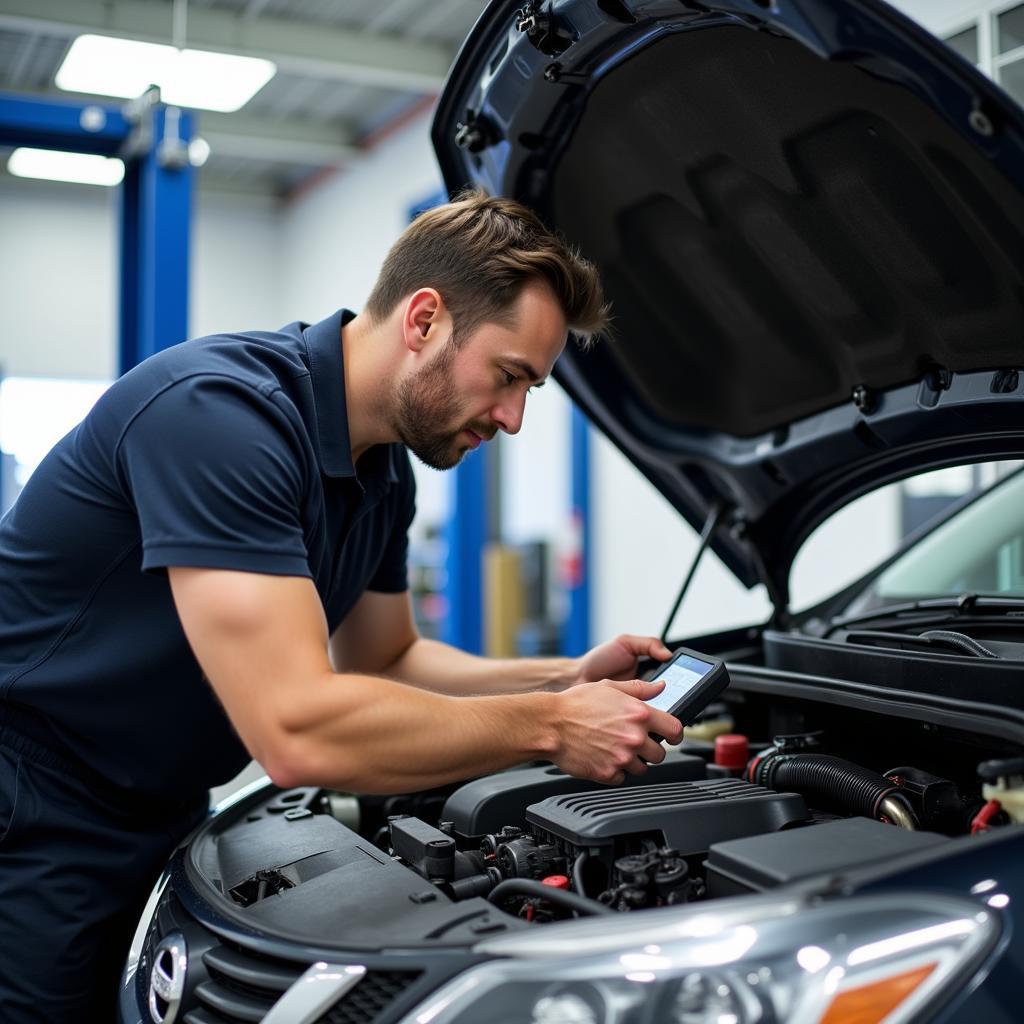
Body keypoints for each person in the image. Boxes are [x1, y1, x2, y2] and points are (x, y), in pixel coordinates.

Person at [0, 190, 683, 1021]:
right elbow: (296, 727)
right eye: (509, 378)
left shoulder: (380, 470)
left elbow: (387, 657)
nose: (511, 417)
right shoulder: (220, 416)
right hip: (33, 808)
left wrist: (560, 679)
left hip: (162, 807)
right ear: (424, 319)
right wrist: (550, 728)